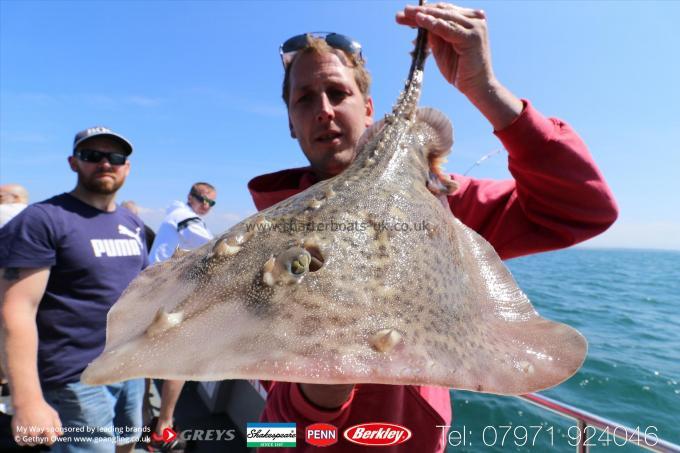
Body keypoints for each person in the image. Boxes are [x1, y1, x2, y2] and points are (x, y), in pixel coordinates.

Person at [247, 3, 618, 452]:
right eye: (305, 98)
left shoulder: (441, 207)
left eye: (337, 92)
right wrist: (317, 394)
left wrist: (486, 90)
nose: (323, 109)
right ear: (291, 122)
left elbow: (585, 209)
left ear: (368, 110)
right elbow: (270, 435)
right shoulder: (264, 237)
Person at [0, 126, 148, 453]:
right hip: (76, 376)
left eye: (116, 157)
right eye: (92, 156)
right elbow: (15, 311)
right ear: (73, 162)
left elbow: (144, 289)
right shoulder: (43, 220)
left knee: (127, 442)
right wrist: (27, 400)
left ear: (127, 166)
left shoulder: (132, 223)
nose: (105, 163)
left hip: (130, 366)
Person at [146, 182, 217, 451]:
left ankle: (145, 418)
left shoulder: (173, 215)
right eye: (202, 200)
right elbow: (214, 246)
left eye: (212, 203)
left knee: (148, 360)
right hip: (168, 297)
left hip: (153, 294)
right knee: (180, 362)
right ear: (191, 197)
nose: (206, 206)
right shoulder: (186, 219)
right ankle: (163, 429)